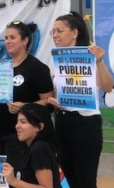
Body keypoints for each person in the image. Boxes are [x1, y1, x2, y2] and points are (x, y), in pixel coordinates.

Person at [47, 11, 114, 188]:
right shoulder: (56, 59)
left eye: (59, 31)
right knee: (68, 179)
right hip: (62, 120)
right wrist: (53, 101)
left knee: (86, 180)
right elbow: (55, 92)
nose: (55, 35)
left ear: (74, 32)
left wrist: (99, 62)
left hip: (86, 122)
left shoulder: (91, 56)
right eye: (53, 32)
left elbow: (108, 87)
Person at [0, 21, 54, 171]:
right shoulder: (0, 66)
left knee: (17, 175)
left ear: (25, 40)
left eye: (12, 37)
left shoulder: (36, 68)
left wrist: (26, 107)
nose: (8, 41)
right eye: (6, 38)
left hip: (18, 133)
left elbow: (49, 101)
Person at [2, 103, 61, 188]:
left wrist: (14, 181)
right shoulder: (27, 149)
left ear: (40, 127)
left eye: (23, 122)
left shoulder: (40, 149)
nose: (17, 126)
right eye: (17, 122)